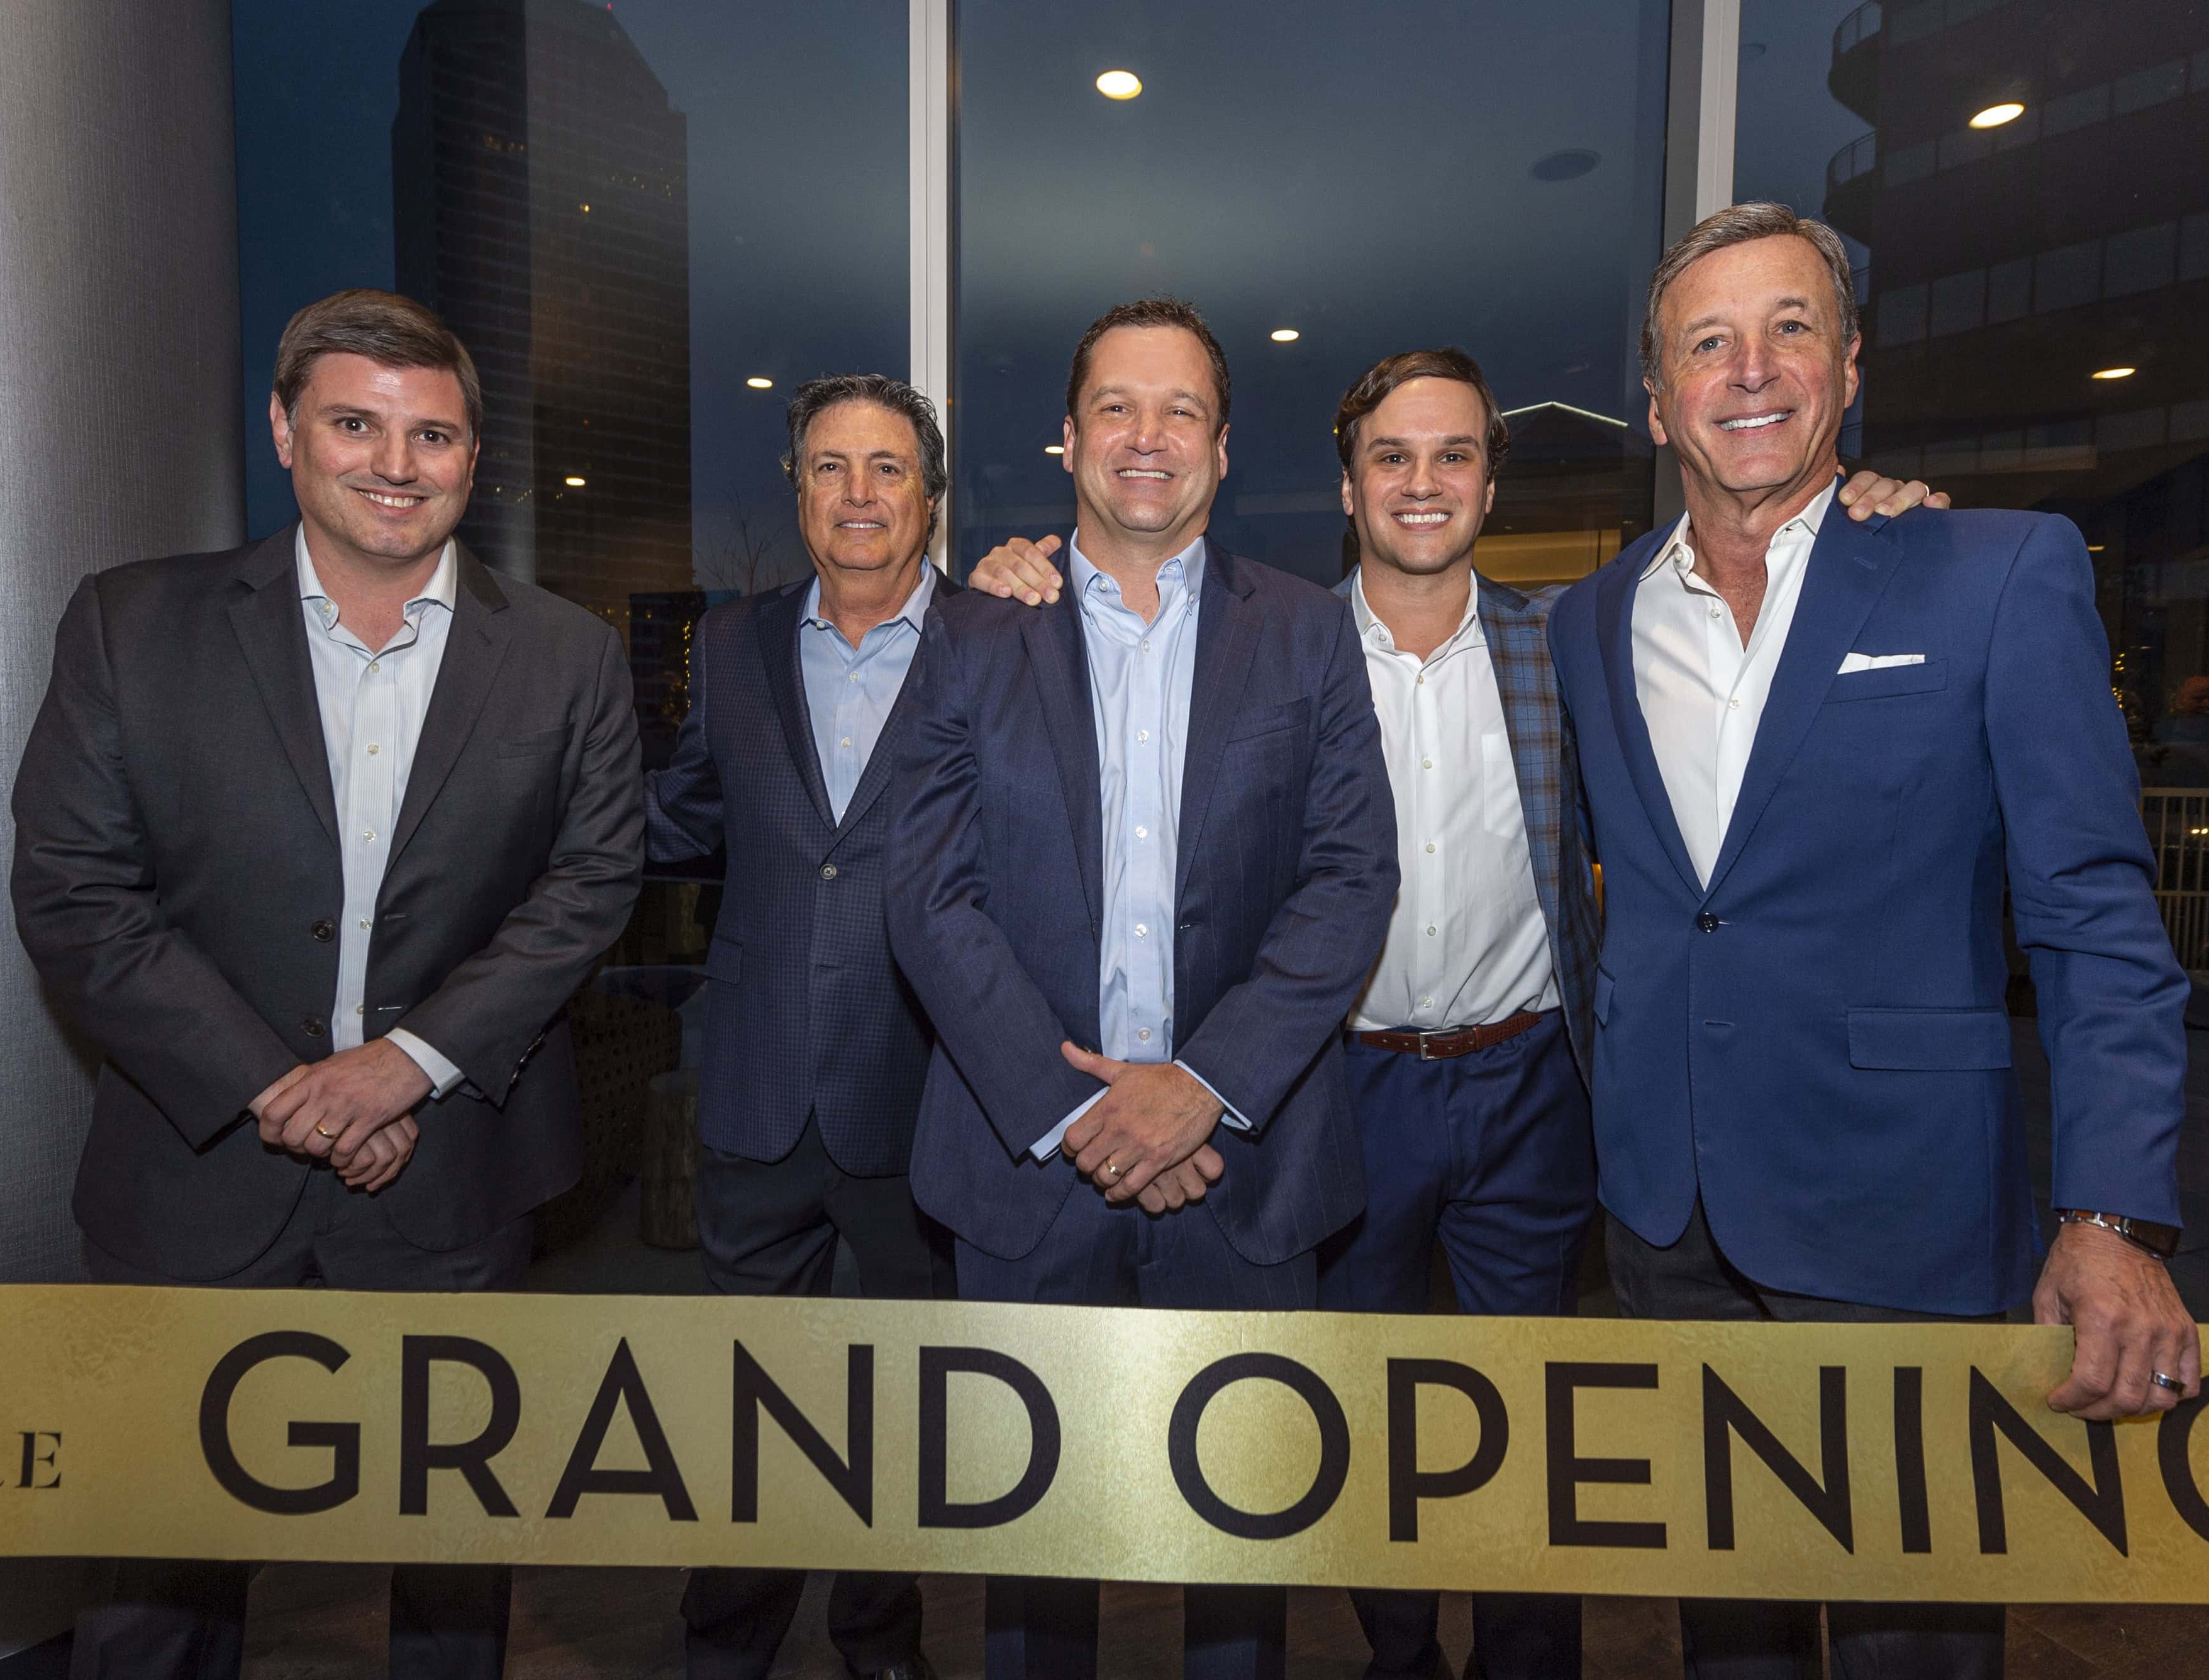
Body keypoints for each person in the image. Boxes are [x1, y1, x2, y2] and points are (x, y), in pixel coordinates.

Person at [972, 360, 1942, 1680]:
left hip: (1527, 1081)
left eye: (1450, 457)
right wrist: (1013, 570)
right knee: (1360, 1415)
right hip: (1336, 1088)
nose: (1420, 483)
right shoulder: (1271, 647)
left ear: (1489, 478)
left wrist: (1865, 506)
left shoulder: (1575, 643)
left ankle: (1527, 1662)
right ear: (1344, 483)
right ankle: (1398, 1653)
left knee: (1526, 1416)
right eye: (1390, 456)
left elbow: (1744, 635)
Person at [1545, 201, 2200, 1678]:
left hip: (1899, 1207)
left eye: (1790, 328)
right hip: (1665, 1221)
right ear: (1658, 400)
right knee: (1727, 1623)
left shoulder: (1992, 571)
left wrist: (2111, 1217)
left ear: (1850, 369)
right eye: (1706, 342)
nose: (1751, 367)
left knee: (1918, 1634)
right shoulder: (1589, 623)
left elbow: (2095, 916)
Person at [11, 289, 643, 1679]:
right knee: (155, 1583)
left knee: (450, 1578)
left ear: (474, 460)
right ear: (287, 431)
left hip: (451, 1178)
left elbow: (590, 886)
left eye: (433, 435)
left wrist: (403, 1066)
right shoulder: (132, 626)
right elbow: (74, 891)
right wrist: (277, 1088)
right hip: (194, 1178)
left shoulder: (567, 657)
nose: (395, 463)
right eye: (357, 423)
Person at [886, 297, 1398, 1680]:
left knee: (1241, 1551)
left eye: (1180, 410)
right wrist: (1081, 1114)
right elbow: (926, 893)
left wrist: (1199, 1094)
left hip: (1249, 1161)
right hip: (1022, 1165)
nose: (1147, 435)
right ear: (1068, 437)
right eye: (1117, 404)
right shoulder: (973, 630)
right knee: (1030, 1558)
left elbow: (1350, 880)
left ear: (1223, 450)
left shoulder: (1305, 630)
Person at [645, 374, 954, 1680]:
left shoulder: (1004, 642)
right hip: (760, 1092)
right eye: (830, 468)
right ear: (798, 490)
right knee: (746, 1404)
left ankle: (879, 1643)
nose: (858, 495)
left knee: (904, 1411)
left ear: (931, 496)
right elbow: (682, 818)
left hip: (928, 1101)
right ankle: (726, 1646)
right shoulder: (729, 648)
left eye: (887, 469)